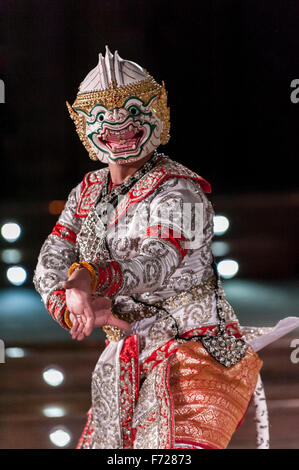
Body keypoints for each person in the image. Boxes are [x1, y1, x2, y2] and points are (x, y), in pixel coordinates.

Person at [34, 47, 299, 449]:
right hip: (126, 362)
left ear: (156, 113)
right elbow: (50, 259)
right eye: (103, 116)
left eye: (131, 111)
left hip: (195, 356)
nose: (118, 123)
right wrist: (69, 306)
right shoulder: (86, 191)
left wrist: (88, 278)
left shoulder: (181, 190)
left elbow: (156, 262)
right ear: (83, 124)